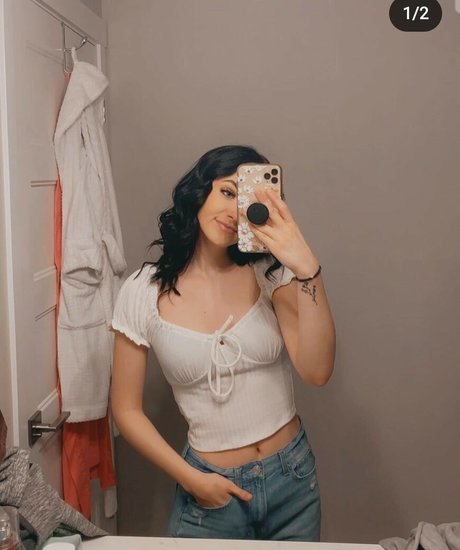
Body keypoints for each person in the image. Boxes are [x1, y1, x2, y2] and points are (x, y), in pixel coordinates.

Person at [110, 145, 336, 541]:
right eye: (227, 192)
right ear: (200, 191)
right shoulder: (143, 290)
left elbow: (317, 371)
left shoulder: (270, 275)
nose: (234, 211)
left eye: (246, 201)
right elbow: (125, 410)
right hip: (210, 488)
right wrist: (192, 479)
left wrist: (307, 268)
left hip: (292, 480)